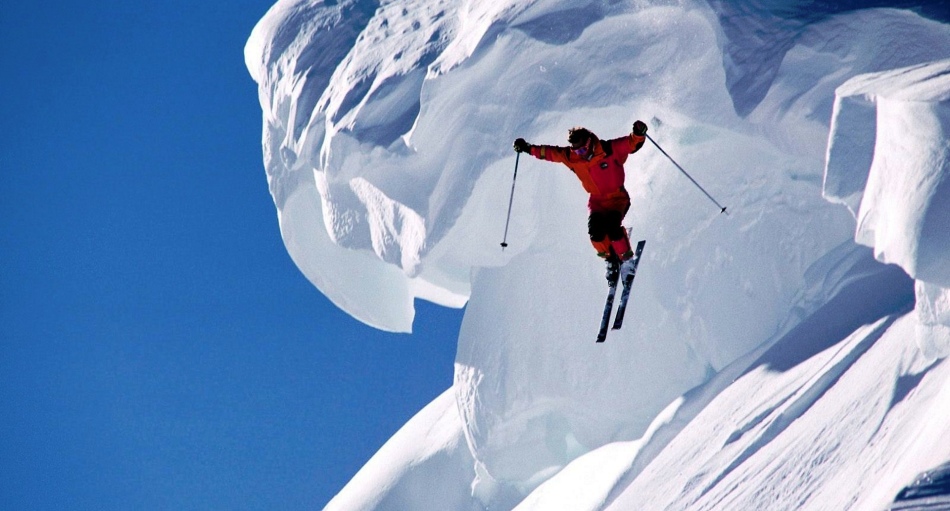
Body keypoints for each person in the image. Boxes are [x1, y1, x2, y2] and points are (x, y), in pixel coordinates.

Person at [513, 120, 648, 283]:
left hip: (617, 198)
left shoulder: (609, 149)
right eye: (577, 151)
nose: (581, 154)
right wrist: (527, 148)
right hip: (596, 201)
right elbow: (549, 153)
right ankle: (611, 260)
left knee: (612, 227)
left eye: (583, 149)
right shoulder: (572, 157)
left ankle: (627, 261)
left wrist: (639, 133)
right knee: (596, 233)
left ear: (590, 142)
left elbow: (630, 143)